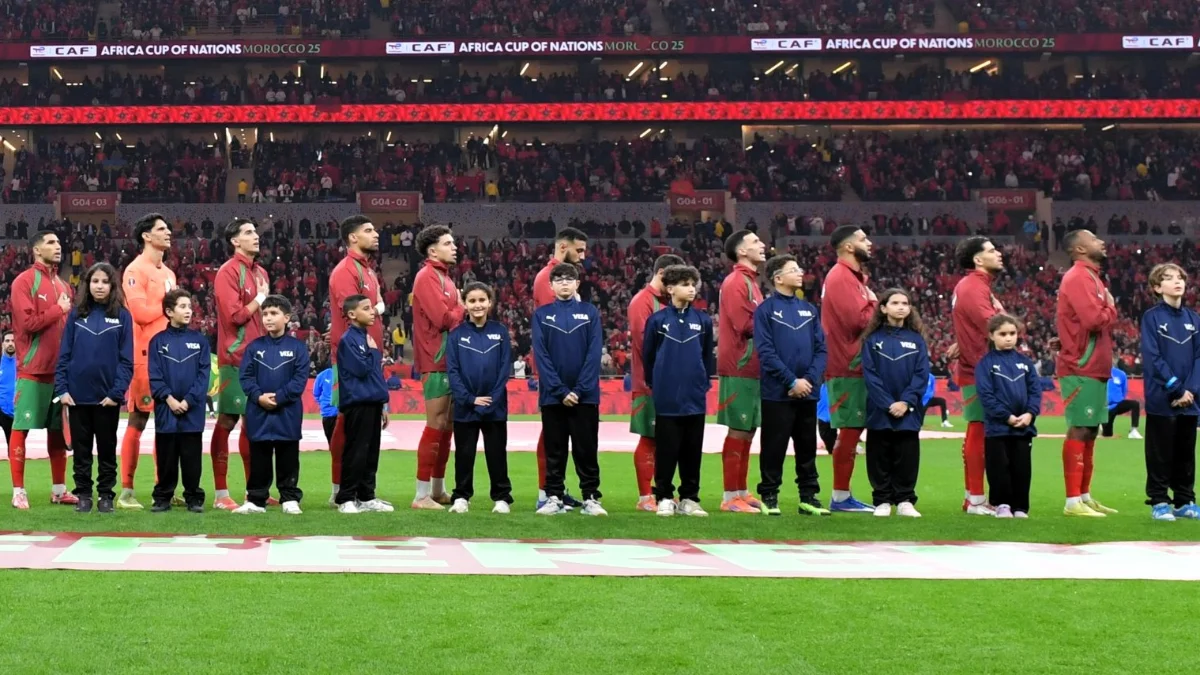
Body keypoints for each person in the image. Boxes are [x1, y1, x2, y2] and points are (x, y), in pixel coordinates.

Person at [753, 254, 829, 516]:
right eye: (794, 270)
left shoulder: (809, 310)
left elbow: (821, 349)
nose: (800, 273)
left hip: (807, 391)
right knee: (773, 446)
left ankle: (808, 497)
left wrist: (808, 380)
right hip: (777, 392)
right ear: (778, 278)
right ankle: (769, 495)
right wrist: (791, 380)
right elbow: (765, 352)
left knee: (807, 447)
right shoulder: (765, 310)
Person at [54, 263, 134, 513]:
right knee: (81, 451)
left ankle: (106, 495)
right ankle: (84, 495)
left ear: (112, 286)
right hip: (77, 397)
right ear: (87, 285)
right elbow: (64, 355)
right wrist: (62, 389)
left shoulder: (123, 316)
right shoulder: (76, 315)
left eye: (105, 282)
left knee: (107, 450)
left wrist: (116, 393)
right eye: (95, 281)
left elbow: (126, 361)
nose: (99, 286)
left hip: (107, 399)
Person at [8, 230, 76, 509]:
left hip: (59, 374)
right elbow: (27, 324)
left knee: (58, 432)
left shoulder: (64, 285)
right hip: (33, 371)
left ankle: (59, 490)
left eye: (59, 242)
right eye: (50, 242)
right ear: (36, 250)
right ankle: (18, 491)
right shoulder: (24, 282)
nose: (58, 246)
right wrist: (58, 310)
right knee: (21, 428)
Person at [532, 263, 606, 516]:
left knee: (587, 449)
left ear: (577, 284)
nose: (564, 283)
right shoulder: (541, 315)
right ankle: (554, 497)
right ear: (551, 286)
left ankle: (591, 497)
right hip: (553, 397)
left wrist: (579, 390)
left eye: (569, 279)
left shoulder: (590, 313)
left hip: (585, 397)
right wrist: (561, 390)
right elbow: (541, 356)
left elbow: (594, 354)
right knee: (555, 449)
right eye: (559, 279)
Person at [642, 265, 714, 517]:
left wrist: (702, 382)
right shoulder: (657, 320)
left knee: (692, 450)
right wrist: (657, 384)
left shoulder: (703, 321)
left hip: (695, 396)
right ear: (670, 289)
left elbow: (707, 357)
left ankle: (689, 499)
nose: (691, 289)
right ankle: (663, 496)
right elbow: (648, 357)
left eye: (693, 284)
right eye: (685, 284)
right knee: (666, 450)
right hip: (667, 396)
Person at [1056, 229, 1119, 517]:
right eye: (1094, 239)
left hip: (1093, 364)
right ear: (1079, 249)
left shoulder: (1091, 277)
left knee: (1091, 430)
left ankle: (1084, 496)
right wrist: (1111, 307)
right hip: (1081, 365)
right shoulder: (1079, 277)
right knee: (1080, 427)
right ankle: (1072, 502)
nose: (1101, 241)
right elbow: (1094, 320)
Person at [326, 215, 388, 507]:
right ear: (352, 237)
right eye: (369, 230)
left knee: (369, 433)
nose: (375, 234)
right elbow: (351, 309)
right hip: (351, 358)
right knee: (350, 427)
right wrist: (377, 306)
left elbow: (370, 309)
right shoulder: (345, 271)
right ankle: (341, 492)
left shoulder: (368, 271)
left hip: (371, 355)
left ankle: (365, 494)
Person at [117, 212, 177, 510]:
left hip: (170, 355)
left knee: (168, 423)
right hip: (144, 356)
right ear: (146, 236)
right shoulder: (135, 270)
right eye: (161, 229)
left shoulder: (169, 273)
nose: (168, 233)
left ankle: (163, 489)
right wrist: (169, 306)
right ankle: (126, 492)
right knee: (139, 420)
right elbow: (140, 314)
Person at [212, 217, 270, 510]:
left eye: (255, 231)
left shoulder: (260, 272)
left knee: (253, 422)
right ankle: (221, 494)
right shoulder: (228, 272)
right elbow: (234, 316)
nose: (255, 236)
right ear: (235, 241)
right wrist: (260, 298)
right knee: (227, 420)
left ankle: (254, 491)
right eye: (248, 232)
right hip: (235, 356)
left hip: (260, 358)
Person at [233, 296, 309, 515]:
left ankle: (289, 498)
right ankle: (256, 500)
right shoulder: (254, 347)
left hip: (287, 412)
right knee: (259, 457)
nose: (268, 318)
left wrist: (278, 398)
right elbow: (245, 377)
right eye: (265, 314)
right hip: (258, 411)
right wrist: (258, 397)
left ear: (287, 318)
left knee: (288, 457)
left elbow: (299, 380)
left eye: (274, 313)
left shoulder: (298, 348)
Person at [821, 225, 878, 513]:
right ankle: (840, 497)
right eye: (863, 239)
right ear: (847, 246)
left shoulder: (851, 277)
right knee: (850, 431)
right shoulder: (841, 276)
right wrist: (875, 302)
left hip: (855, 362)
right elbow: (858, 321)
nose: (869, 243)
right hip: (847, 364)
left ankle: (844, 495)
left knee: (854, 431)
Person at [532, 226, 588, 510]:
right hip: (554, 369)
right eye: (579, 249)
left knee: (559, 431)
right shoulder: (548, 278)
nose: (583, 255)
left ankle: (557, 489)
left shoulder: (560, 276)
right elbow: (551, 328)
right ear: (563, 247)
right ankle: (546, 493)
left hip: (567, 367)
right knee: (551, 432)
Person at [860, 288, 930, 518]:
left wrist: (906, 402)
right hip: (880, 409)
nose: (901, 307)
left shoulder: (917, 340)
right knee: (879, 454)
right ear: (883, 308)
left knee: (907, 455)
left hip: (908, 410)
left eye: (905, 303)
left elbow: (921, 374)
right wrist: (888, 403)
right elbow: (870, 375)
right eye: (895, 303)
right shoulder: (872, 340)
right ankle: (882, 500)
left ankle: (905, 500)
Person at [445, 282, 513, 514]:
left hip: (495, 406)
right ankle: (461, 497)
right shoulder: (456, 335)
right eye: (472, 301)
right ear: (464, 304)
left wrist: (492, 397)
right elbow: (453, 371)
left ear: (490, 302)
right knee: (464, 454)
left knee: (497, 454)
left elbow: (504, 369)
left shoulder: (500, 332)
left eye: (482, 300)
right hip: (466, 408)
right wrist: (470, 399)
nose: (477, 305)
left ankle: (502, 498)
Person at [1139, 263, 1200, 521]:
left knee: (1186, 452)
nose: (1177, 282)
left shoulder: (1194, 319)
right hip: (1162, 396)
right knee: (1160, 451)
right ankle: (1160, 501)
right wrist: (1176, 389)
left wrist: (1191, 390)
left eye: (1180, 278)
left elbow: (1199, 358)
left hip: (1190, 399)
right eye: (1169, 278)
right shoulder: (1151, 318)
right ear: (1157, 287)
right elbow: (1153, 358)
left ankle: (1185, 500)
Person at [950, 236, 1006, 514]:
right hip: (980, 369)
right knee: (978, 431)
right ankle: (975, 499)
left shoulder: (976, 286)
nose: (999, 253)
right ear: (977, 259)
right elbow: (994, 327)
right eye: (992, 250)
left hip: (980, 367)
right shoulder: (973, 287)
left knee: (980, 431)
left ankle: (973, 497)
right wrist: (1008, 320)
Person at [411, 224, 465, 509]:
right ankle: (420, 495)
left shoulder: (445, 278)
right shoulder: (426, 277)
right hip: (435, 359)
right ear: (432, 251)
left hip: (448, 359)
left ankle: (437, 490)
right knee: (436, 423)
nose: (454, 247)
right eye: (448, 243)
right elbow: (443, 319)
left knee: (447, 425)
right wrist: (463, 306)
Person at [626, 253, 684, 511]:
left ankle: (662, 492)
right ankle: (644, 497)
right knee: (649, 438)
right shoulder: (642, 302)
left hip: (673, 382)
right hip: (650, 383)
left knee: (668, 439)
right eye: (675, 279)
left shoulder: (668, 303)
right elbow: (645, 344)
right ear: (662, 274)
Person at [716, 229, 767, 513]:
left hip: (752, 365)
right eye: (755, 241)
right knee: (739, 429)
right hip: (739, 364)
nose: (762, 244)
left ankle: (741, 491)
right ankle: (729, 497)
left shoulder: (751, 282)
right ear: (741, 251)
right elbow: (744, 324)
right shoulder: (736, 281)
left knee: (748, 430)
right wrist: (775, 323)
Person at [148, 289, 211, 513]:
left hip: (192, 412)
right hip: (166, 410)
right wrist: (169, 399)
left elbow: (204, 375)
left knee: (192, 458)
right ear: (169, 311)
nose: (188, 311)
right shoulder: (157, 341)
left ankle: (194, 498)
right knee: (166, 458)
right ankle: (163, 497)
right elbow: (154, 375)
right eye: (183, 307)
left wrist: (189, 401)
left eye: (190, 307)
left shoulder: (199, 341)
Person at [975, 314, 1042, 519]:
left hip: (1023, 426)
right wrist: (1006, 417)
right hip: (998, 427)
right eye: (1002, 334)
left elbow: (1035, 391)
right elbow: (986, 395)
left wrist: (1030, 413)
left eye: (1012, 333)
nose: (1008, 338)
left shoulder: (1025, 363)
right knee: (999, 467)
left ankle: (1020, 507)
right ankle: (1002, 504)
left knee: (1022, 467)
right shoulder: (985, 364)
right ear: (991, 335)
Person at [334, 295, 393, 514]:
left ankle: (367, 496)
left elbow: (375, 374)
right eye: (366, 308)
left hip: (372, 400)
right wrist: (374, 352)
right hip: (358, 402)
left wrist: (383, 404)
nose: (372, 312)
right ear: (352, 314)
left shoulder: (365, 337)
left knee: (370, 453)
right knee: (356, 451)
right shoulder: (349, 339)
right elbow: (361, 369)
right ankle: (346, 498)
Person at [1103, 367, 1143, 439]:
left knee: (1135, 404)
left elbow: (1124, 390)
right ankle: (1101, 426)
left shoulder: (1121, 374)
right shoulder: (1099, 371)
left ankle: (1133, 430)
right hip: (1105, 408)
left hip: (1118, 404)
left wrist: (1118, 399)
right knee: (1107, 435)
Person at [312, 367, 338, 446]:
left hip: (343, 413)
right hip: (328, 413)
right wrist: (324, 405)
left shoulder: (346, 373)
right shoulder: (323, 375)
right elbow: (316, 393)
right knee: (331, 443)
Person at [0, 333, 15, 452]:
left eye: (13, 341)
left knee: (14, 448)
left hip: (17, 412)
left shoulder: (23, 364)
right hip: (1, 410)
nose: (10, 343)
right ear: (2, 344)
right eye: (7, 341)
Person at [816, 384, 838, 455]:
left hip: (832, 416)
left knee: (830, 436)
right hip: (823, 416)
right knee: (826, 435)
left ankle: (834, 451)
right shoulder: (821, 386)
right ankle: (833, 451)